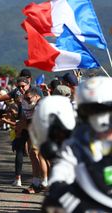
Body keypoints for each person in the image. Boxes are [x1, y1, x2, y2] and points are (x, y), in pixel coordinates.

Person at [43, 76, 112, 212]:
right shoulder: (77, 143)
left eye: (101, 110)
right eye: (89, 111)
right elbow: (63, 166)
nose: (97, 117)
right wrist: (57, 186)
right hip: (93, 203)